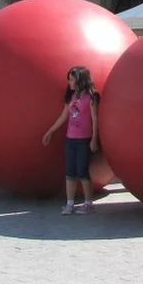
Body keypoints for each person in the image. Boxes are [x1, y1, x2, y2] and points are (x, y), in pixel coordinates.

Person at [42, 66, 100, 214]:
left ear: (80, 80)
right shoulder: (71, 97)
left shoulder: (91, 97)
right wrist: (51, 131)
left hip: (84, 140)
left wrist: (94, 139)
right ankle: (70, 203)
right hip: (71, 139)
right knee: (70, 172)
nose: (69, 82)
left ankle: (88, 203)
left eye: (72, 79)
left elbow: (94, 119)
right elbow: (64, 116)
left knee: (82, 171)